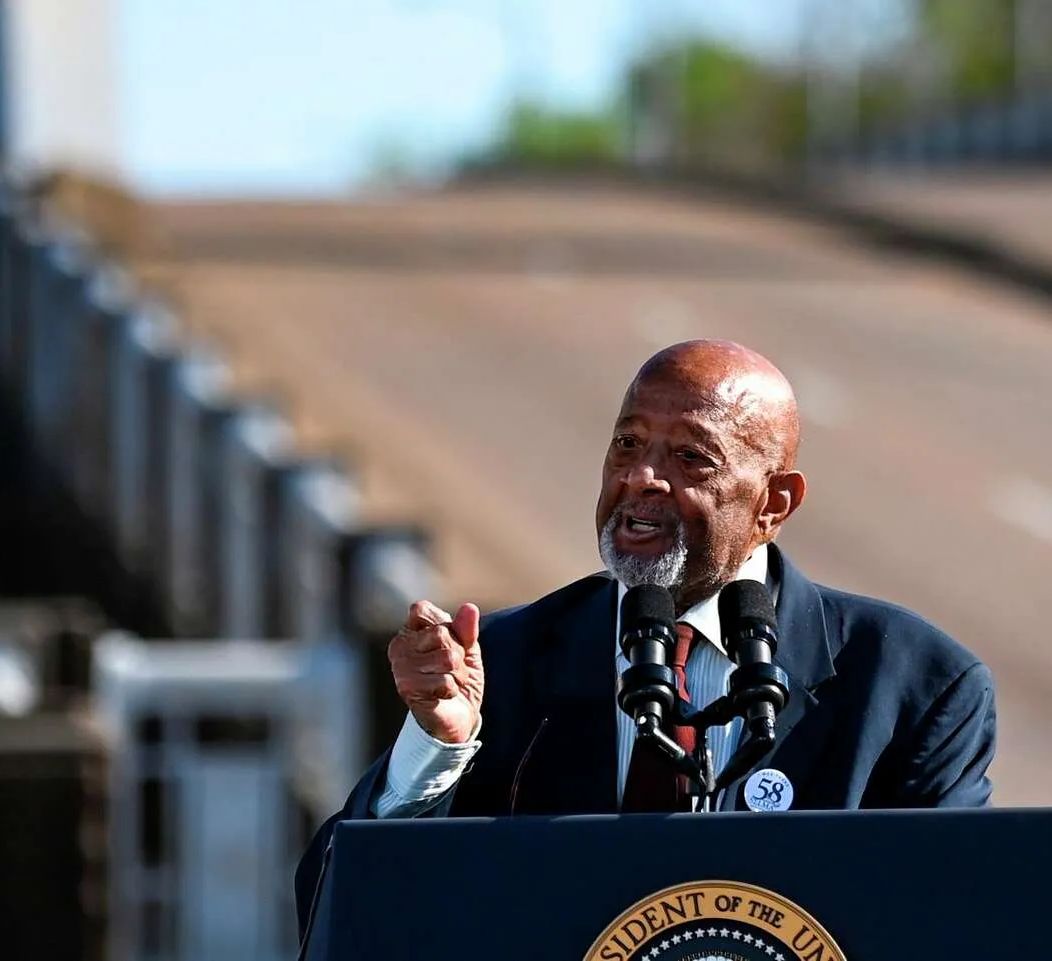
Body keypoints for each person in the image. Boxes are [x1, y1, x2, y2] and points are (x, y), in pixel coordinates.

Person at [296, 338, 996, 924]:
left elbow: (956, 922)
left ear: (774, 502)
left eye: (691, 457)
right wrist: (435, 749)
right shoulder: (501, 665)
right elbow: (340, 908)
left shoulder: (913, 684)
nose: (642, 478)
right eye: (627, 444)